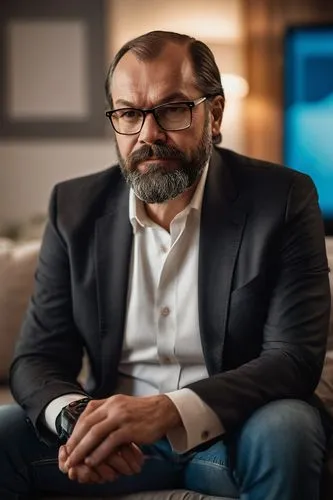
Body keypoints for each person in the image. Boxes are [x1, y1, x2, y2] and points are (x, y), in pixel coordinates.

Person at [0, 30, 331, 500]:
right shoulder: (72, 207)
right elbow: (37, 358)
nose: (148, 135)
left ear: (213, 115)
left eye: (172, 109)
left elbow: (292, 358)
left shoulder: (282, 200)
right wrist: (76, 419)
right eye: (129, 114)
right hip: (119, 449)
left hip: (234, 435)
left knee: (289, 425)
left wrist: (168, 411)